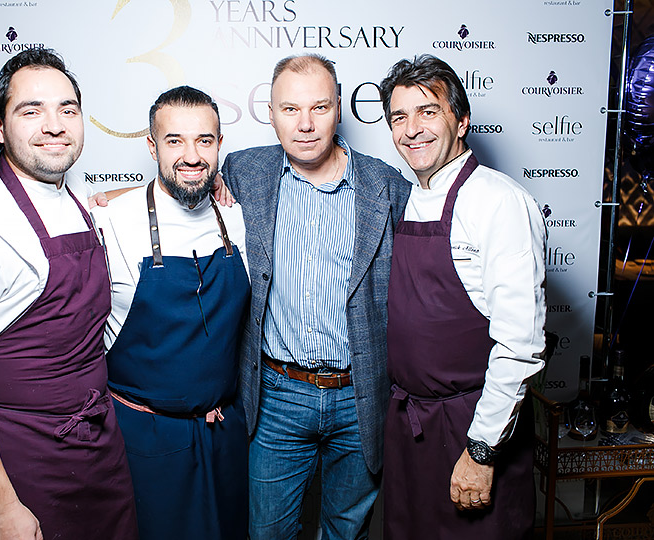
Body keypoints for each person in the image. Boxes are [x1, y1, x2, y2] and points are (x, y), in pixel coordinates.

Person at [0, 48, 138, 540]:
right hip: (23, 465)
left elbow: (114, 204)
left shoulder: (71, 199)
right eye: (31, 110)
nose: (54, 124)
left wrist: (202, 181)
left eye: (67, 109)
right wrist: (1, 508)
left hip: (97, 448)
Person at [220, 54, 411, 539]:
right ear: (271, 112)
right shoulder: (245, 173)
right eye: (290, 109)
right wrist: (110, 198)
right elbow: (181, 188)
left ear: (340, 108)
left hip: (359, 395)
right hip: (277, 395)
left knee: (346, 532)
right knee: (267, 532)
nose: (305, 125)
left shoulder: (385, 186)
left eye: (319, 107)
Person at [378, 54, 547, 539]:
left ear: (462, 119)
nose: (412, 130)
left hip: (469, 430)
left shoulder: (498, 202)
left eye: (428, 112)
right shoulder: (410, 195)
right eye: (399, 117)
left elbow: (520, 347)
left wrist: (481, 451)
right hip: (411, 428)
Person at [93, 86, 250, 540]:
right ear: (151, 145)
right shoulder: (110, 219)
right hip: (144, 442)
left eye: (204, 140)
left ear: (220, 144)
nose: (192, 155)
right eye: (175, 140)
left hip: (223, 436)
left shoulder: (237, 217)